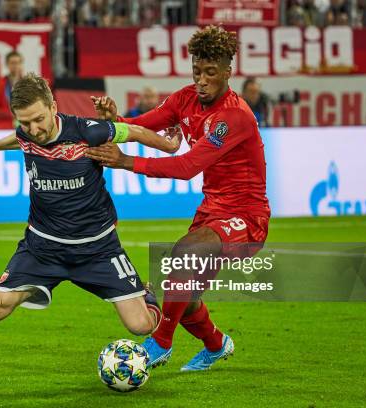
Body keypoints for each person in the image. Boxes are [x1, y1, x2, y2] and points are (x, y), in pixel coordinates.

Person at [0, 73, 182, 390]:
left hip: (98, 249)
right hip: (42, 248)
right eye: (25, 122)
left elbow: (135, 131)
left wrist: (169, 146)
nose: (34, 129)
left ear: (53, 106)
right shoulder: (26, 133)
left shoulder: (87, 131)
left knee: (140, 325)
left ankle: (149, 296)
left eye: (38, 119)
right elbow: (16, 137)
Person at [88, 25, 270, 372]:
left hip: (247, 218)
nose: (201, 80)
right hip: (211, 212)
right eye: (196, 71)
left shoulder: (234, 117)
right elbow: (143, 124)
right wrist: (116, 121)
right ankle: (216, 345)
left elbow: (187, 166)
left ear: (228, 73)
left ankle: (159, 343)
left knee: (183, 255)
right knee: (180, 290)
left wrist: (125, 162)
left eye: (210, 73)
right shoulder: (185, 98)